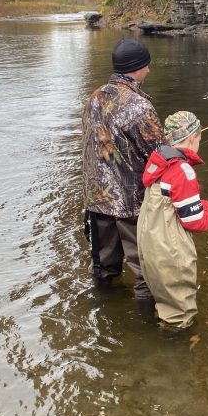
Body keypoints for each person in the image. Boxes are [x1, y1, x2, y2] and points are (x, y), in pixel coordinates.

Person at [137, 110, 208, 328]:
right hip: (169, 252)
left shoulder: (159, 162)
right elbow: (195, 221)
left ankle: (155, 333)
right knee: (179, 315)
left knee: (163, 300)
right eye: (199, 139)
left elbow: (179, 203)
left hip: (149, 246)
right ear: (193, 137)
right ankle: (176, 345)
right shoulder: (182, 170)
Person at [82, 37, 163, 300]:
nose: (149, 70)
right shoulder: (139, 106)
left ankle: (103, 310)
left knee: (103, 266)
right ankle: (147, 321)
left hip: (96, 198)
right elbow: (158, 155)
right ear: (137, 67)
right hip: (131, 203)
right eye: (146, 65)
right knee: (145, 268)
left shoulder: (93, 98)